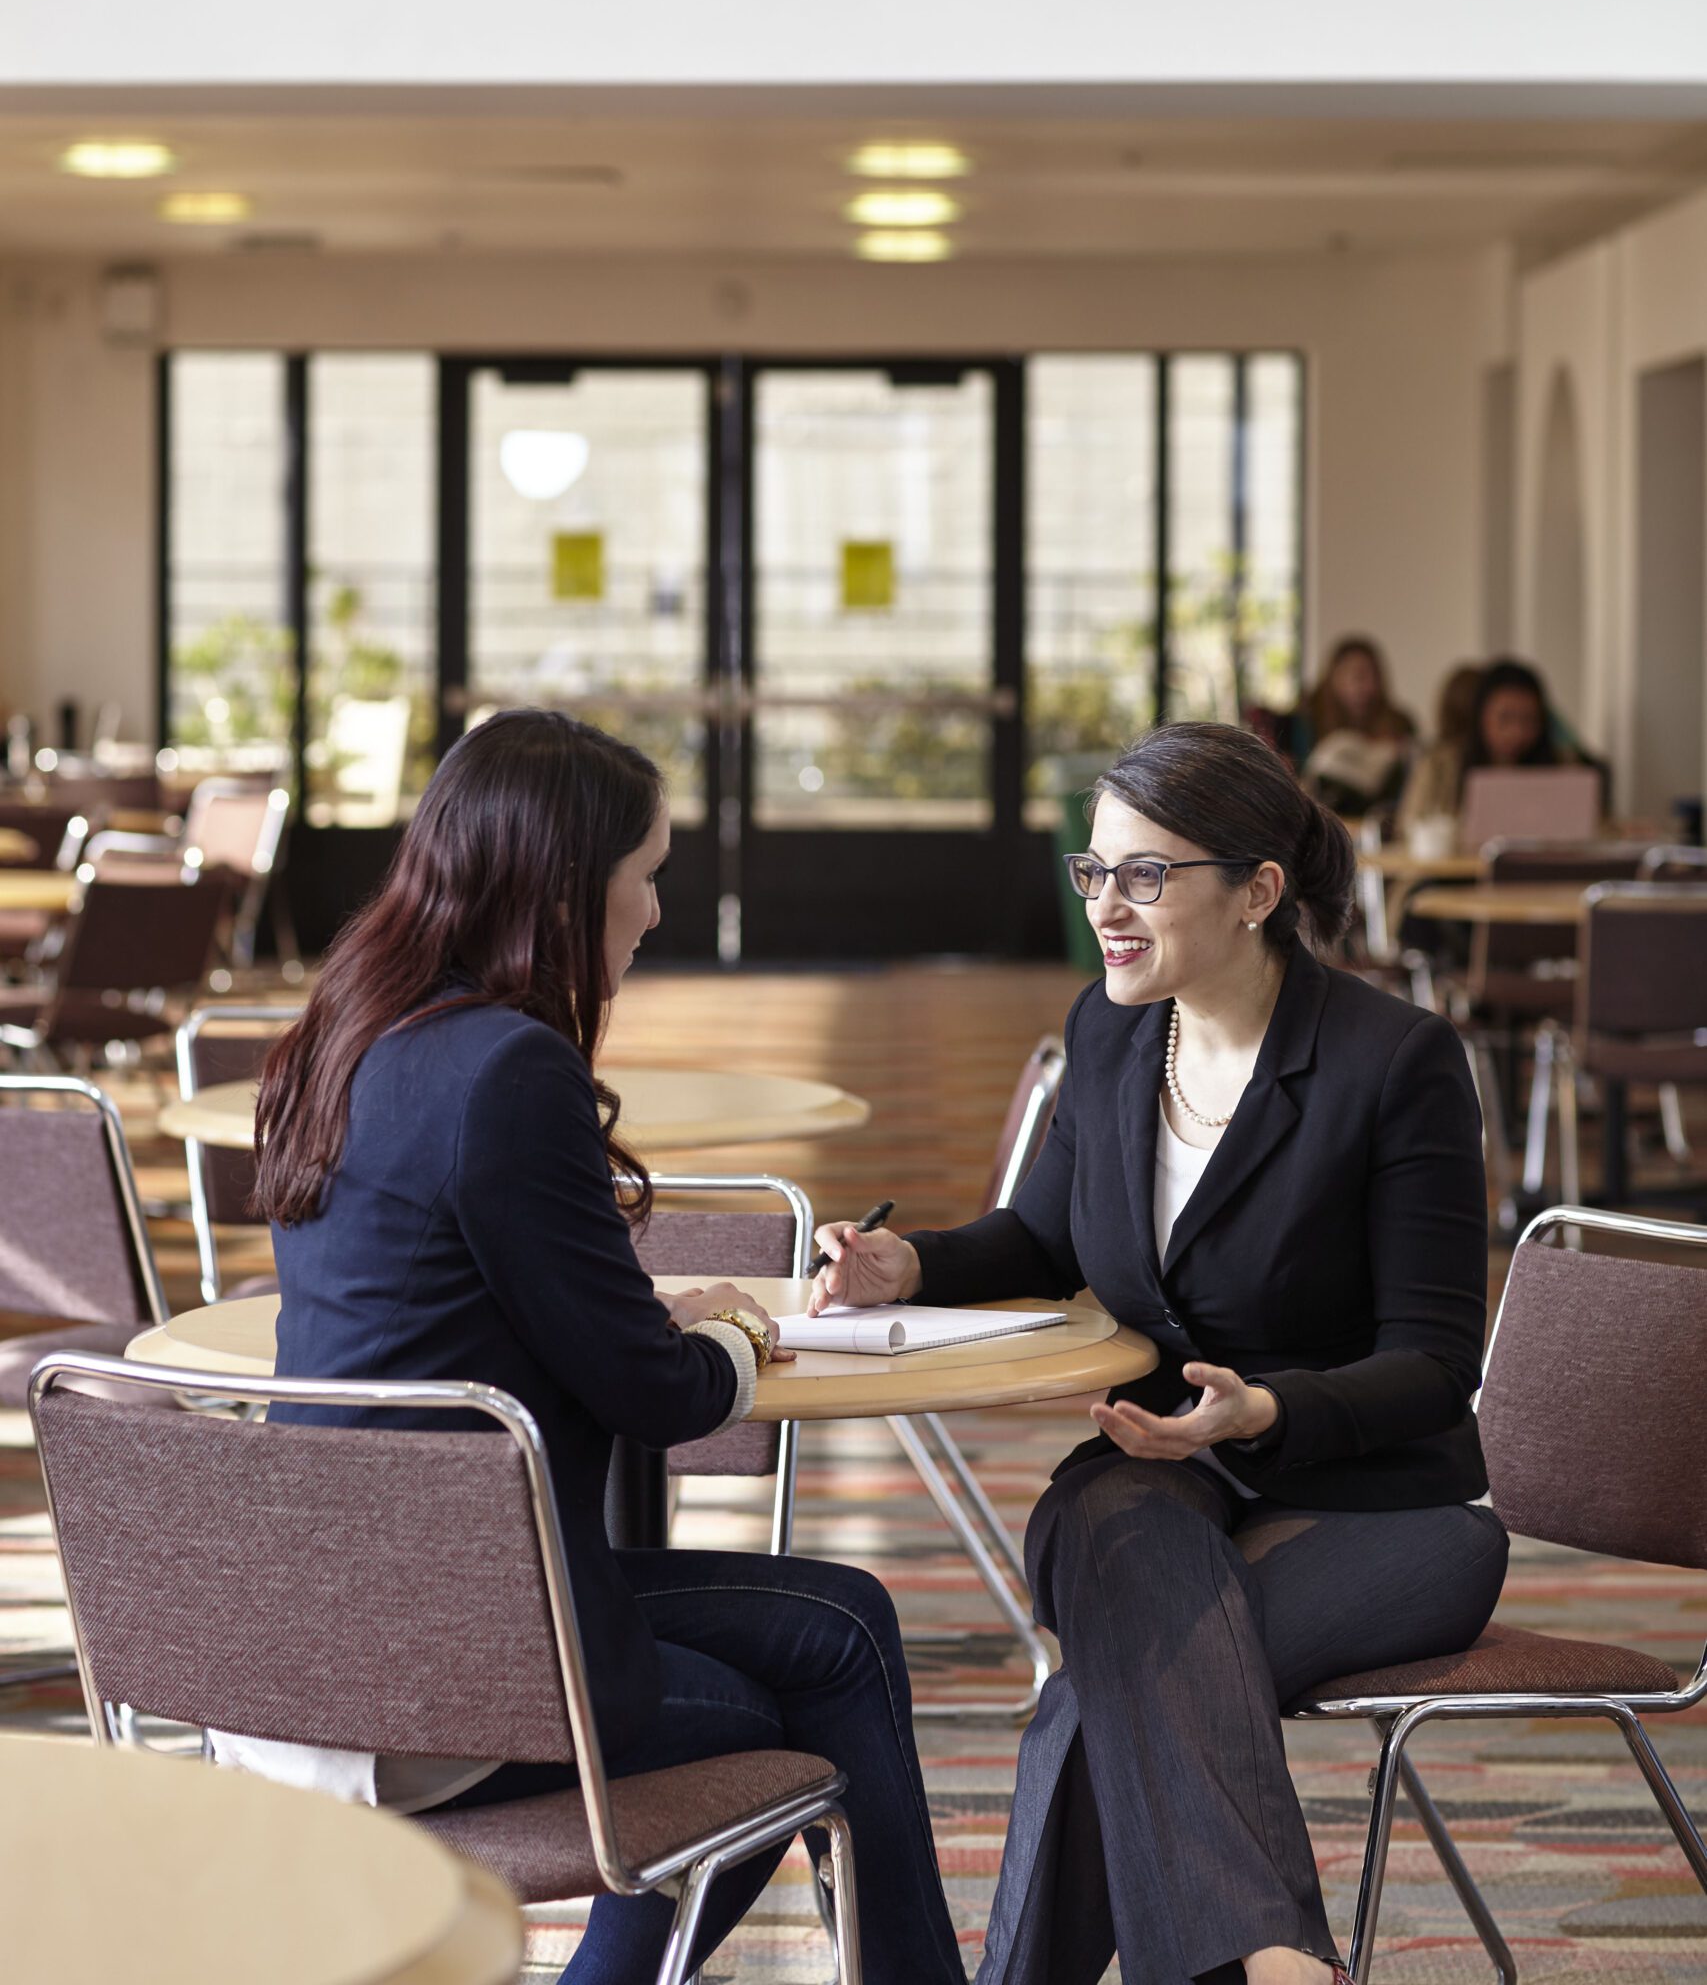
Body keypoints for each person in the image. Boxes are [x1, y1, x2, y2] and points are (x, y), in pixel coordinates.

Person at [243, 710, 966, 1985]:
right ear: (570, 887)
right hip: (455, 1669)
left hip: (317, 1628)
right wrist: (737, 1323)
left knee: (844, 1613)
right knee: (805, 1707)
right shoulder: (508, 1072)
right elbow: (659, 1393)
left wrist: (650, 1327)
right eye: (648, 876)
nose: (655, 913)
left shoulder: (346, 1032)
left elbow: (503, 1310)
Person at [811, 721, 1506, 1985]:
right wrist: (912, 1266)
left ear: (1257, 891)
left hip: (1383, 1507)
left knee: (1096, 1704)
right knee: (1116, 1538)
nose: (1107, 909)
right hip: (1155, 1480)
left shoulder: (1391, 1063)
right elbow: (1042, 1233)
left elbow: (1435, 1360)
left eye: (1145, 875)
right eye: (1095, 872)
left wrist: (1264, 1412)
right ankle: (1277, 1964)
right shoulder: (1116, 1031)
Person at [1396, 654, 1580, 835]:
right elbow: (1408, 829)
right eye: (1505, 718)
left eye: (1529, 720)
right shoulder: (1440, 765)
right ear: (1481, 716)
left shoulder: (1563, 765)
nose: (1516, 732)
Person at [1290, 636, 1416, 819]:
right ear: (1335, 677)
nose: (1369, 686)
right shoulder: (1305, 722)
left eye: (1375, 677)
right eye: (1359, 676)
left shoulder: (1400, 724)